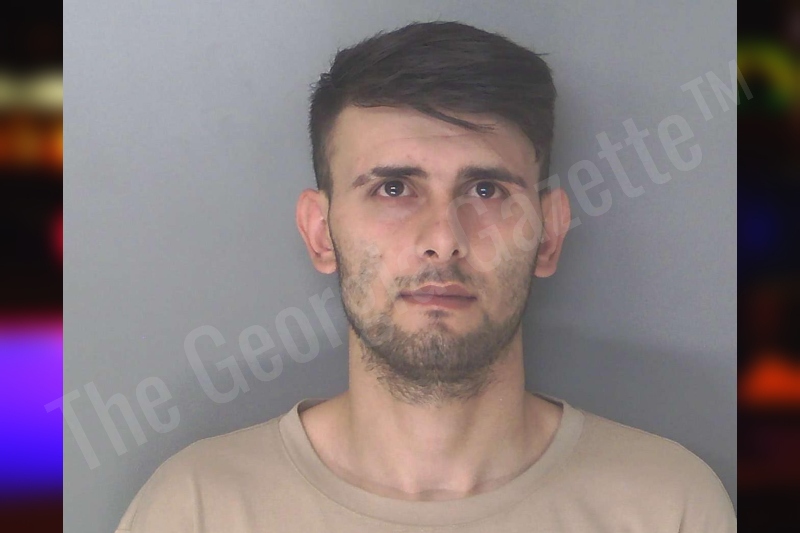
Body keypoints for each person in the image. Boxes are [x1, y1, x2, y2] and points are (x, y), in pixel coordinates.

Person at [115, 21, 736, 532]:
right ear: (320, 232)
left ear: (548, 234)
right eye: (393, 188)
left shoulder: (669, 509)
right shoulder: (196, 510)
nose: (443, 238)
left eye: (486, 190)